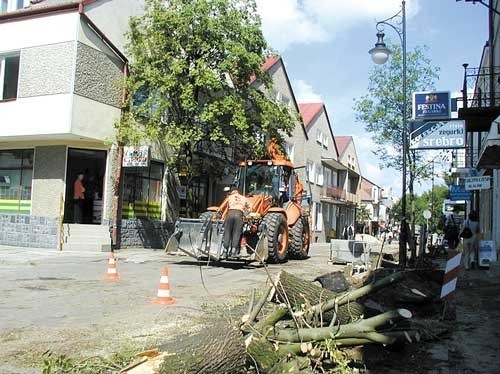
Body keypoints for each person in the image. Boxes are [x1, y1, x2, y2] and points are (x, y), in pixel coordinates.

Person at [218, 189, 251, 258]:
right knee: (236, 233)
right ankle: (233, 252)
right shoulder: (244, 198)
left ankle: (225, 252)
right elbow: (250, 207)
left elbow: (222, 207)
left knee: (227, 232)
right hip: (239, 214)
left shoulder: (229, 197)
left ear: (232, 193)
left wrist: (219, 215)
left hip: (230, 214)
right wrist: (245, 214)